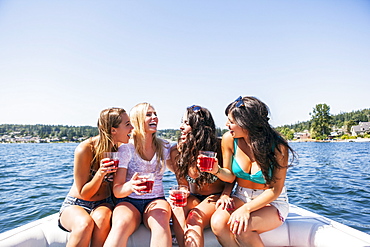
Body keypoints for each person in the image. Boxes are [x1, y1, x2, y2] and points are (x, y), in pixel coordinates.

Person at [207, 96, 296, 247]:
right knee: (217, 223)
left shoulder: (278, 147)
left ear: (246, 124)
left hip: (271, 201)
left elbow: (275, 189)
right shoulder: (229, 139)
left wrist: (246, 209)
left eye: (231, 121)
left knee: (242, 228)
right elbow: (229, 177)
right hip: (241, 195)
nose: (226, 124)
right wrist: (216, 170)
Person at [58, 107, 133, 247]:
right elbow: (84, 194)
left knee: (102, 219)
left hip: (104, 203)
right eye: (128, 124)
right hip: (77, 203)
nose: (132, 128)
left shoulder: (121, 149)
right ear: (113, 130)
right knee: (84, 225)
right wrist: (100, 173)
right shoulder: (85, 149)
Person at [104, 102, 173, 247]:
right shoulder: (126, 149)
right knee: (120, 223)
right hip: (129, 201)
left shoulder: (165, 146)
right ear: (137, 120)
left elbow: (178, 173)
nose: (154, 117)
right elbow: (117, 190)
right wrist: (130, 186)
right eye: (148, 115)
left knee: (161, 219)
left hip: (156, 199)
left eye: (155, 114)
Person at [167, 105, 235, 247]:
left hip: (215, 198)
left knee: (193, 218)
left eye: (186, 123)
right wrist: (182, 192)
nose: (180, 127)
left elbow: (232, 176)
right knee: (176, 207)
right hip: (194, 198)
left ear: (199, 127)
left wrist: (225, 194)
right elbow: (183, 184)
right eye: (182, 122)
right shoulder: (177, 152)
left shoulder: (219, 147)